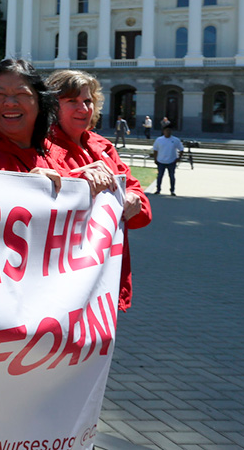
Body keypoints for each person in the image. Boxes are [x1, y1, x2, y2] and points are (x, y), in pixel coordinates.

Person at [46, 69, 151, 311]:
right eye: (72, 101)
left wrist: (133, 199)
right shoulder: (40, 145)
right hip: (62, 276)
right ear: (52, 105)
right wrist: (76, 180)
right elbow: (41, 196)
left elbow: (142, 211)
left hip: (105, 276)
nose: (83, 108)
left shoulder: (103, 146)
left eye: (87, 101)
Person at [152, 124, 184, 195]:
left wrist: (179, 158)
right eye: (166, 130)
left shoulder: (175, 140)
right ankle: (158, 189)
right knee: (160, 175)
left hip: (172, 161)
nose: (168, 132)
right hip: (161, 161)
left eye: (169, 130)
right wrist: (155, 159)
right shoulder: (159, 140)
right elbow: (155, 150)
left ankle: (172, 190)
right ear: (163, 131)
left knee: (172, 176)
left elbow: (181, 149)